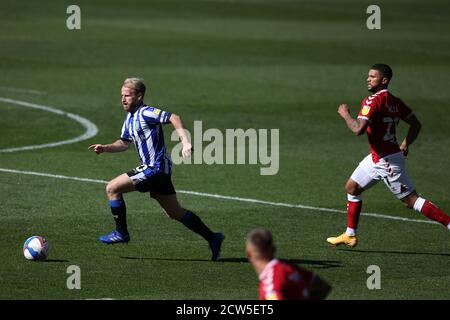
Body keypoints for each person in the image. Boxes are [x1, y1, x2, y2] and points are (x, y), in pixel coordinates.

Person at [88, 77, 224, 261]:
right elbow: (124, 143)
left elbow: (174, 117)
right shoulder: (129, 119)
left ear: (139, 96)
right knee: (174, 212)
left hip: (155, 167)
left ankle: (121, 233)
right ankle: (213, 238)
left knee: (112, 188)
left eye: (127, 95)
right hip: (159, 170)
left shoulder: (147, 113)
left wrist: (185, 142)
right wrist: (105, 148)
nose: (123, 99)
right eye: (121, 95)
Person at [327, 64, 450, 247]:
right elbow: (416, 124)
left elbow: (358, 130)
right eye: (368, 76)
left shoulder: (372, 101)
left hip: (386, 161)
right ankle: (350, 234)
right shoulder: (395, 101)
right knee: (352, 187)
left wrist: (345, 114)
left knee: (411, 201)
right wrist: (405, 143)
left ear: (384, 80)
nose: (368, 79)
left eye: (372, 76)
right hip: (379, 156)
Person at [246, 228, 332, 300]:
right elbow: (322, 287)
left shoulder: (270, 287)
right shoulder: (288, 268)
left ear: (248, 254)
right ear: (273, 249)